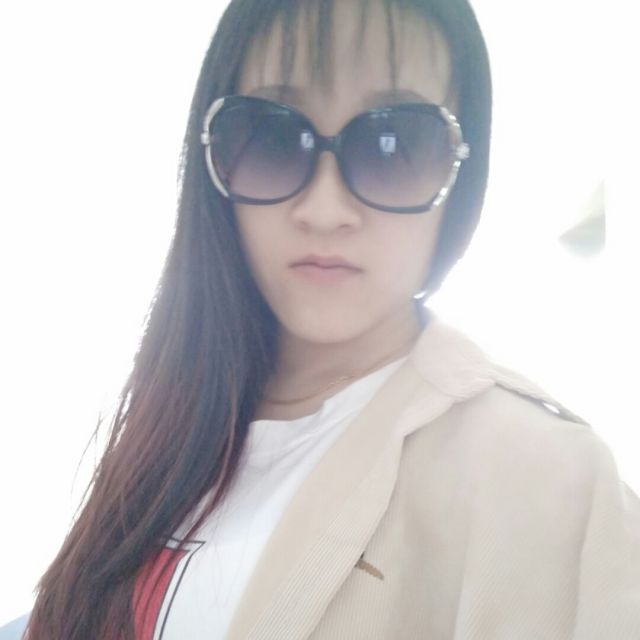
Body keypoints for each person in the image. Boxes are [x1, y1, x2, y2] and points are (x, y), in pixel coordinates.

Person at [21, 0, 640, 638]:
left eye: (394, 144)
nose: (324, 209)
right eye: (271, 137)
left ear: (462, 171)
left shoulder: (548, 480)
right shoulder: (174, 422)